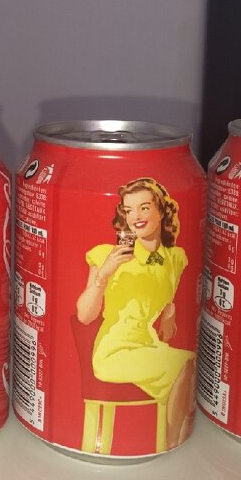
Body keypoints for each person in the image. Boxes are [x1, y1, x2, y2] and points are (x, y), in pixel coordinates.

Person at [74, 177, 196, 447]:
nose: (136, 217)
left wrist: (170, 312)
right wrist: (103, 275)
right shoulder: (106, 254)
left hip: (149, 346)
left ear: (161, 211)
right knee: (186, 364)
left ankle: (170, 445)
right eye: (129, 210)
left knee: (189, 365)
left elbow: (167, 297)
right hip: (114, 351)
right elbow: (84, 315)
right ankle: (171, 446)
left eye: (144, 208)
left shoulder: (175, 259)